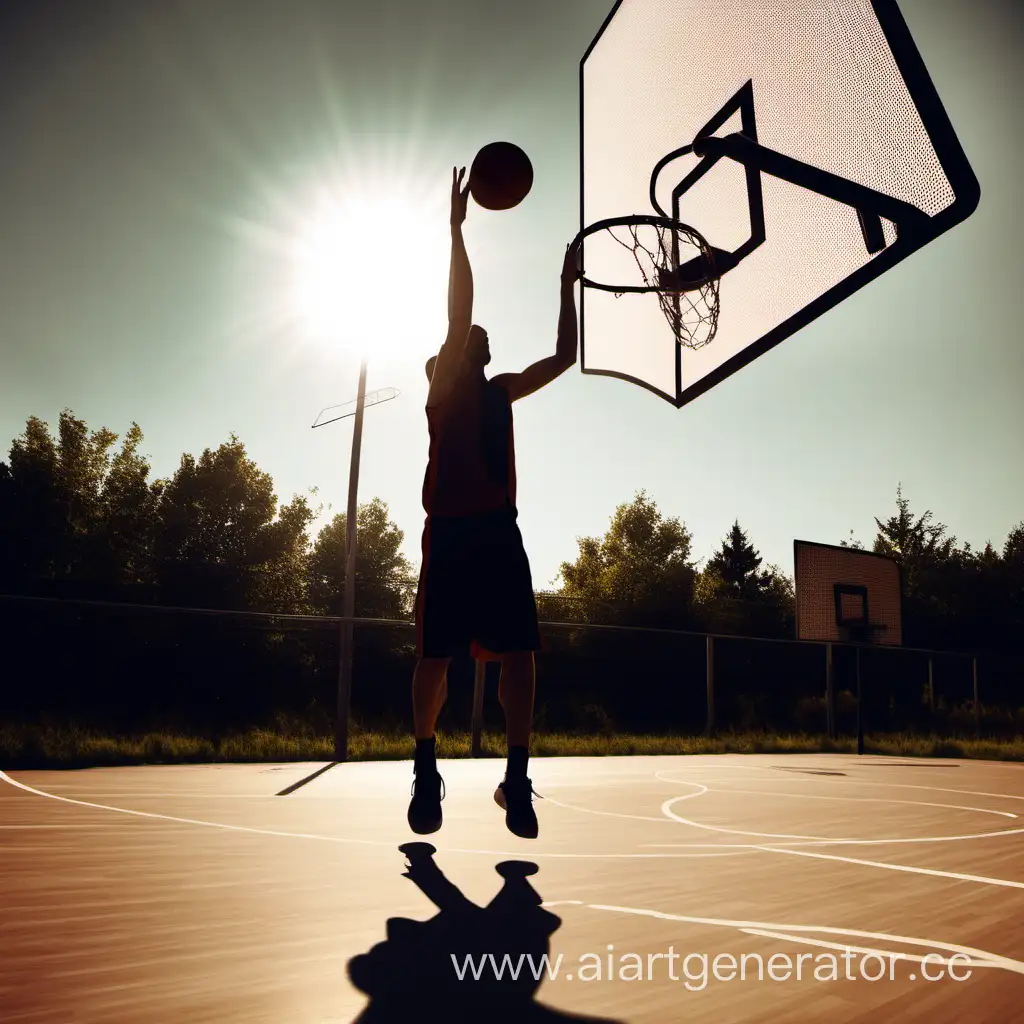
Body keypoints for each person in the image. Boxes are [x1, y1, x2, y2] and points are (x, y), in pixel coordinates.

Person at [408, 166, 580, 839]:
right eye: (465, 337)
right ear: (448, 358)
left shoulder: (500, 390)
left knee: (519, 656)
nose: (478, 334)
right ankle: (426, 769)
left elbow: (564, 355)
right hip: (456, 531)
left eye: (477, 336)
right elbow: (459, 311)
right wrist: (455, 230)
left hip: (488, 533)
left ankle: (516, 778)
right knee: (436, 658)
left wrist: (567, 286)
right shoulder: (446, 386)